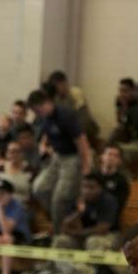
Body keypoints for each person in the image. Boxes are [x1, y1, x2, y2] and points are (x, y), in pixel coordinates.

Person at [28, 89, 92, 233]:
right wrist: (44, 145)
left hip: (73, 157)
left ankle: (58, 233)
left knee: (59, 198)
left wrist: (86, 168)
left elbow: (82, 143)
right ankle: (66, 215)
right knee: (39, 188)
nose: (38, 114)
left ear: (47, 103)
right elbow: (46, 133)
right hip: (57, 156)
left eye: (38, 110)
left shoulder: (66, 116)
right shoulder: (44, 118)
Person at [46, 71, 99, 146]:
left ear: (64, 83)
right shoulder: (56, 98)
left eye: (56, 85)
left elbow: (83, 118)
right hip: (68, 131)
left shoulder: (75, 93)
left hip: (85, 129)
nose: (55, 89)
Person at [0, 142, 32, 209]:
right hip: (1, 207)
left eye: (17, 151)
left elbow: (33, 194)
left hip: (22, 207)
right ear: (7, 154)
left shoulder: (29, 170)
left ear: (22, 154)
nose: (14, 154)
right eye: (11, 152)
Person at [96, 145, 130, 217]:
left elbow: (118, 206)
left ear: (120, 161)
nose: (111, 158)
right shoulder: (92, 177)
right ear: (101, 157)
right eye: (109, 154)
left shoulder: (122, 182)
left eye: (116, 156)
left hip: (110, 221)